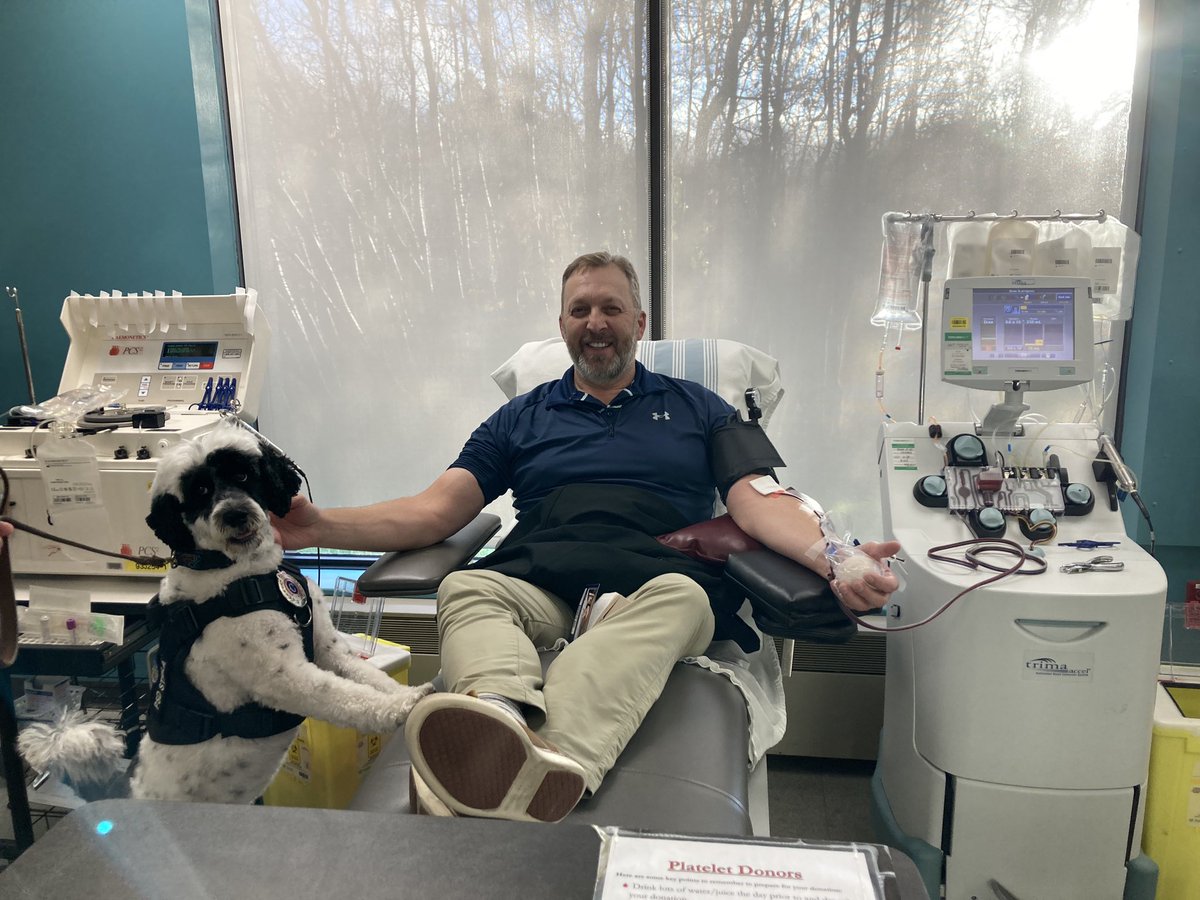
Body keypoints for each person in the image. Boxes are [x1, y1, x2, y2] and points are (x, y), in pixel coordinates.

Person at [274, 251, 901, 823]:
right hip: (539, 578)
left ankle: (551, 757)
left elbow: (759, 500)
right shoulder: (521, 417)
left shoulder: (700, 407)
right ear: (563, 323)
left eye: (611, 308)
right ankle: (503, 712)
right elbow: (436, 510)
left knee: (686, 600)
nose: (595, 321)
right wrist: (320, 525)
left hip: (655, 579)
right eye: (580, 310)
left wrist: (837, 557)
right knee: (468, 584)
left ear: (639, 321)